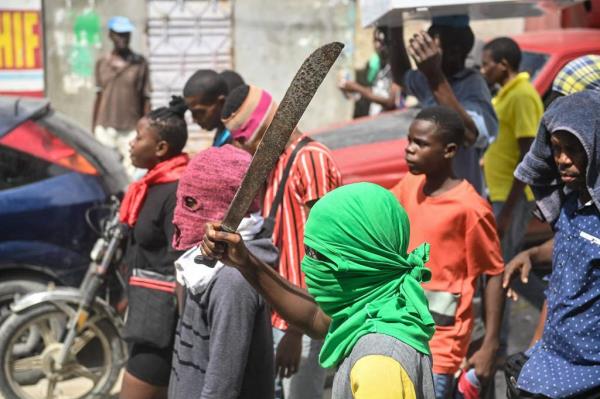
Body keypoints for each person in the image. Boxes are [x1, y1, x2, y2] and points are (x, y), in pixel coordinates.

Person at [201, 182, 437, 398]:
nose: (307, 264)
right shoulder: (386, 302)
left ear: (354, 264)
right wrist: (245, 262)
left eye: (316, 255)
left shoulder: (378, 364)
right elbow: (316, 317)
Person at [222, 84, 343, 399]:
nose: (244, 149)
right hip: (279, 310)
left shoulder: (310, 158)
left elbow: (326, 249)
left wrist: (296, 329)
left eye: (244, 141)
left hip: (305, 314)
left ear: (261, 133)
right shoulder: (276, 164)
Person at [390, 106, 505, 398]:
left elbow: (493, 273)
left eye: (421, 144)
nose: (409, 150)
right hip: (399, 327)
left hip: (440, 345)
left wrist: (490, 343)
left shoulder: (470, 208)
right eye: (409, 140)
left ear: (449, 150)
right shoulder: (410, 185)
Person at [502, 90, 600, 398]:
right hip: (554, 353)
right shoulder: (572, 203)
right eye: (556, 149)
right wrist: (531, 252)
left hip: (588, 369)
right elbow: (570, 247)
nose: (562, 160)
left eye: (573, 149)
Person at [168, 145, 278, 399]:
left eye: (191, 203)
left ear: (224, 208)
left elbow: (222, 387)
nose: (178, 216)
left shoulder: (233, 279)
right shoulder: (201, 266)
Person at [118, 106, 189, 399]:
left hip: (163, 324)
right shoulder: (149, 184)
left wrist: (186, 333)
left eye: (138, 137)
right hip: (145, 313)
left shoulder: (176, 191)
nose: (131, 143)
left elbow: (183, 262)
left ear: (160, 147)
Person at [388, 15, 497, 194]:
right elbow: (402, 77)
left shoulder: (472, 84)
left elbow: (470, 135)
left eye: (433, 46)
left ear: (455, 51)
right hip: (432, 195)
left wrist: (434, 75)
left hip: (459, 199)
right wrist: (395, 25)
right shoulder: (429, 79)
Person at [480, 37, 543, 259]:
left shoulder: (522, 95)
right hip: (499, 192)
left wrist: (507, 211)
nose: (483, 70)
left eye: (486, 64)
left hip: (513, 195)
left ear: (503, 64)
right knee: (501, 262)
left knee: (504, 263)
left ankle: (542, 296)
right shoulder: (505, 94)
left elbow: (528, 154)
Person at [93, 16, 151, 179]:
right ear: (111, 35)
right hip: (105, 127)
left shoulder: (140, 64)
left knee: (131, 172)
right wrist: (94, 125)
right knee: (106, 171)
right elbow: (98, 95)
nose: (123, 38)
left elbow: (145, 98)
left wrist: (145, 128)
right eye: (119, 34)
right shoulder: (102, 63)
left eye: (126, 34)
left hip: (130, 128)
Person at [339, 27, 400, 117]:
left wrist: (357, 88)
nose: (378, 45)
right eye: (376, 41)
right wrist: (350, 89)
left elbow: (390, 102)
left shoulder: (396, 65)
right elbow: (374, 92)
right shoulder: (377, 64)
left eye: (382, 40)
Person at [182, 69, 231, 147]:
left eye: (199, 112)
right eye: (192, 112)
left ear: (222, 103)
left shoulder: (238, 140)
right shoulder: (221, 134)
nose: (194, 120)